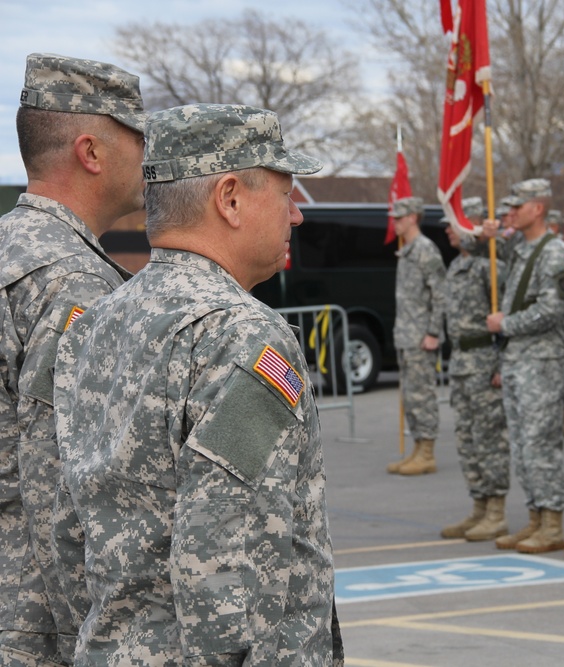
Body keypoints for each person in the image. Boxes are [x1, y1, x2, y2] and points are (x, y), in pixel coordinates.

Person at [52, 103, 343, 665]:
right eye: (286, 194)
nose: (297, 216)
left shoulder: (93, 325)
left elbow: (67, 528)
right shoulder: (243, 334)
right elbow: (227, 557)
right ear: (230, 198)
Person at [0, 52, 145, 666]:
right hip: (36, 622)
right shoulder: (72, 282)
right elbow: (62, 486)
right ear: (91, 152)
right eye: (140, 141)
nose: (150, 162)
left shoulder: (12, 250)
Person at [486, 178, 564, 554]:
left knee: (540, 444)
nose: (509, 213)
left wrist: (506, 324)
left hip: (542, 361)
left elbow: (553, 310)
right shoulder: (522, 250)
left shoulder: (554, 252)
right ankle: (535, 517)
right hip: (519, 360)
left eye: (516, 207)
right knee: (522, 445)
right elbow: (485, 245)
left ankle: (552, 522)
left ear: (537, 209)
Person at [439, 197, 511, 541]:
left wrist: (501, 361)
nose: (447, 230)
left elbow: (503, 316)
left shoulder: (489, 266)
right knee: (467, 437)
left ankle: (496, 510)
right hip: (461, 364)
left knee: (489, 437)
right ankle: (479, 506)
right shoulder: (456, 267)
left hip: (484, 360)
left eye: (453, 223)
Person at [385, 196, 447, 475]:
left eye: (399, 218)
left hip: (422, 336)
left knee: (423, 395)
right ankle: (418, 449)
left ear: (412, 218)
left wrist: (434, 332)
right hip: (407, 336)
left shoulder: (425, 250)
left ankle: (428, 453)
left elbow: (440, 294)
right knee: (411, 396)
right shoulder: (408, 250)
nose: (395, 222)